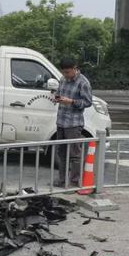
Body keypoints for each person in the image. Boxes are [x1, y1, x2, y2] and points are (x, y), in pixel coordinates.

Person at [53, 58, 92, 187]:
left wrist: (71, 101)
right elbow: (59, 93)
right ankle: (62, 180)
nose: (66, 75)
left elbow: (87, 102)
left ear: (75, 68)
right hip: (61, 121)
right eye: (64, 72)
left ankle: (74, 181)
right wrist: (57, 98)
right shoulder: (63, 79)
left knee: (75, 154)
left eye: (68, 72)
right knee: (61, 152)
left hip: (74, 123)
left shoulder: (83, 82)